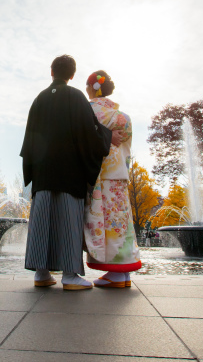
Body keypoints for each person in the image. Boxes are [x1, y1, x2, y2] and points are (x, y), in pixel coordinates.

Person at [21, 55, 124, 290]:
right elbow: (90, 132)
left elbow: (28, 138)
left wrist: (33, 169)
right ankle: (69, 275)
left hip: (44, 172)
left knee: (43, 221)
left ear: (51, 72)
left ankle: (41, 273)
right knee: (68, 221)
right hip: (69, 171)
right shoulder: (76, 96)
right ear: (72, 75)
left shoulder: (39, 99)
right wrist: (108, 138)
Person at [83, 70, 141, 288]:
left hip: (102, 174)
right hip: (119, 174)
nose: (86, 90)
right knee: (122, 222)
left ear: (93, 88)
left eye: (87, 86)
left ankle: (116, 273)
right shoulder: (121, 116)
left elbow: (83, 133)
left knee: (105, 221)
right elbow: (123, 136)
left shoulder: (90, 111)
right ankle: (124, 273)